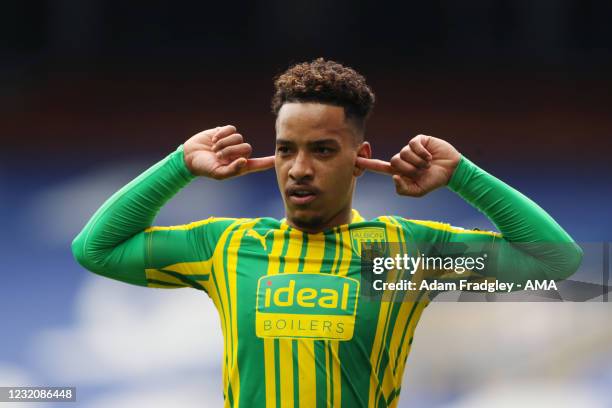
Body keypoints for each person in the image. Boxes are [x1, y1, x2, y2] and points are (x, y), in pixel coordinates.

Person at [71, 58, 582, 408]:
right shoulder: (226, 246)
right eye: (286, 149)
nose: (298, 169)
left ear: (360, 160)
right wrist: (178, 166)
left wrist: (465, 175)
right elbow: (95, 249)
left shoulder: (401, 255)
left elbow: (557, 263)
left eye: (321, 150)